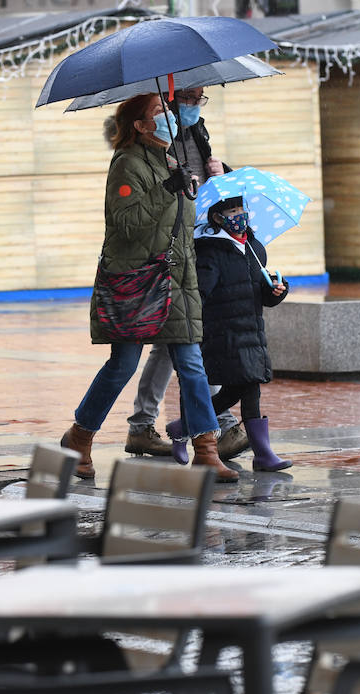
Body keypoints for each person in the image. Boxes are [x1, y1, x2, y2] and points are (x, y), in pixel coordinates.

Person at [61, 92, 239, 483]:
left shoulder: (172, 160)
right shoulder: (127, 164)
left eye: (168, 111)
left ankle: (206, 450)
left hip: (177, 281)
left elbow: (180, 227)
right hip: (139, 282)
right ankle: (79, 437)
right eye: (160, 112)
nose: (170, 118)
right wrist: (166, 189)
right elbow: (126, 224)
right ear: (140, 126)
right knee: (122, 366)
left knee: (192, 365)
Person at [122, 86, 250, 462]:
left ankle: (145, 425)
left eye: (200, 98)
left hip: (197, 241)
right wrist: (173, 183)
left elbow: (208, 192)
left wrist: (221, 172)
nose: (195, 104)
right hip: (171, 250)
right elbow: (136, 211)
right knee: (184, 338)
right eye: (189, 97)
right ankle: (215, 427)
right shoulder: (147, 150)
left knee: (176, 340)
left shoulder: (197, 131)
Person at [167, 195, 292, 472]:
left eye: (242, 209)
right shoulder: (211, 251)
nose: (240, 215)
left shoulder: (255, 248)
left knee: (238, 388)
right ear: (217, 218)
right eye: (232, 211)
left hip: (251, 331)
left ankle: (183, 426)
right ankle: (262, 453)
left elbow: (262, 295)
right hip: (224, 332)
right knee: (249, 386)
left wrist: (276, 290)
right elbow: (200, 293)